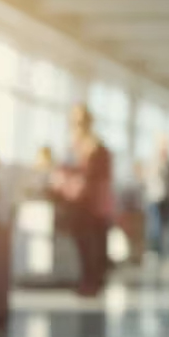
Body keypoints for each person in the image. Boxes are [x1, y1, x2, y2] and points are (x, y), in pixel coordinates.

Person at [49, 104, 113, 296]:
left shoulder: (95, 147)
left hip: (91, 204)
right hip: (79, 204)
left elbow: (94, 177)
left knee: (92, 244)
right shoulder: (75, 146)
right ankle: (88, 280)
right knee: (84, 244)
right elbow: (64, 170)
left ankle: (92, 281)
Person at [145, 135, 169, 259]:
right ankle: (156, 251)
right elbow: (150, 183)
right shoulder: (154, 164)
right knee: (156, 228)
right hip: (156, 200)